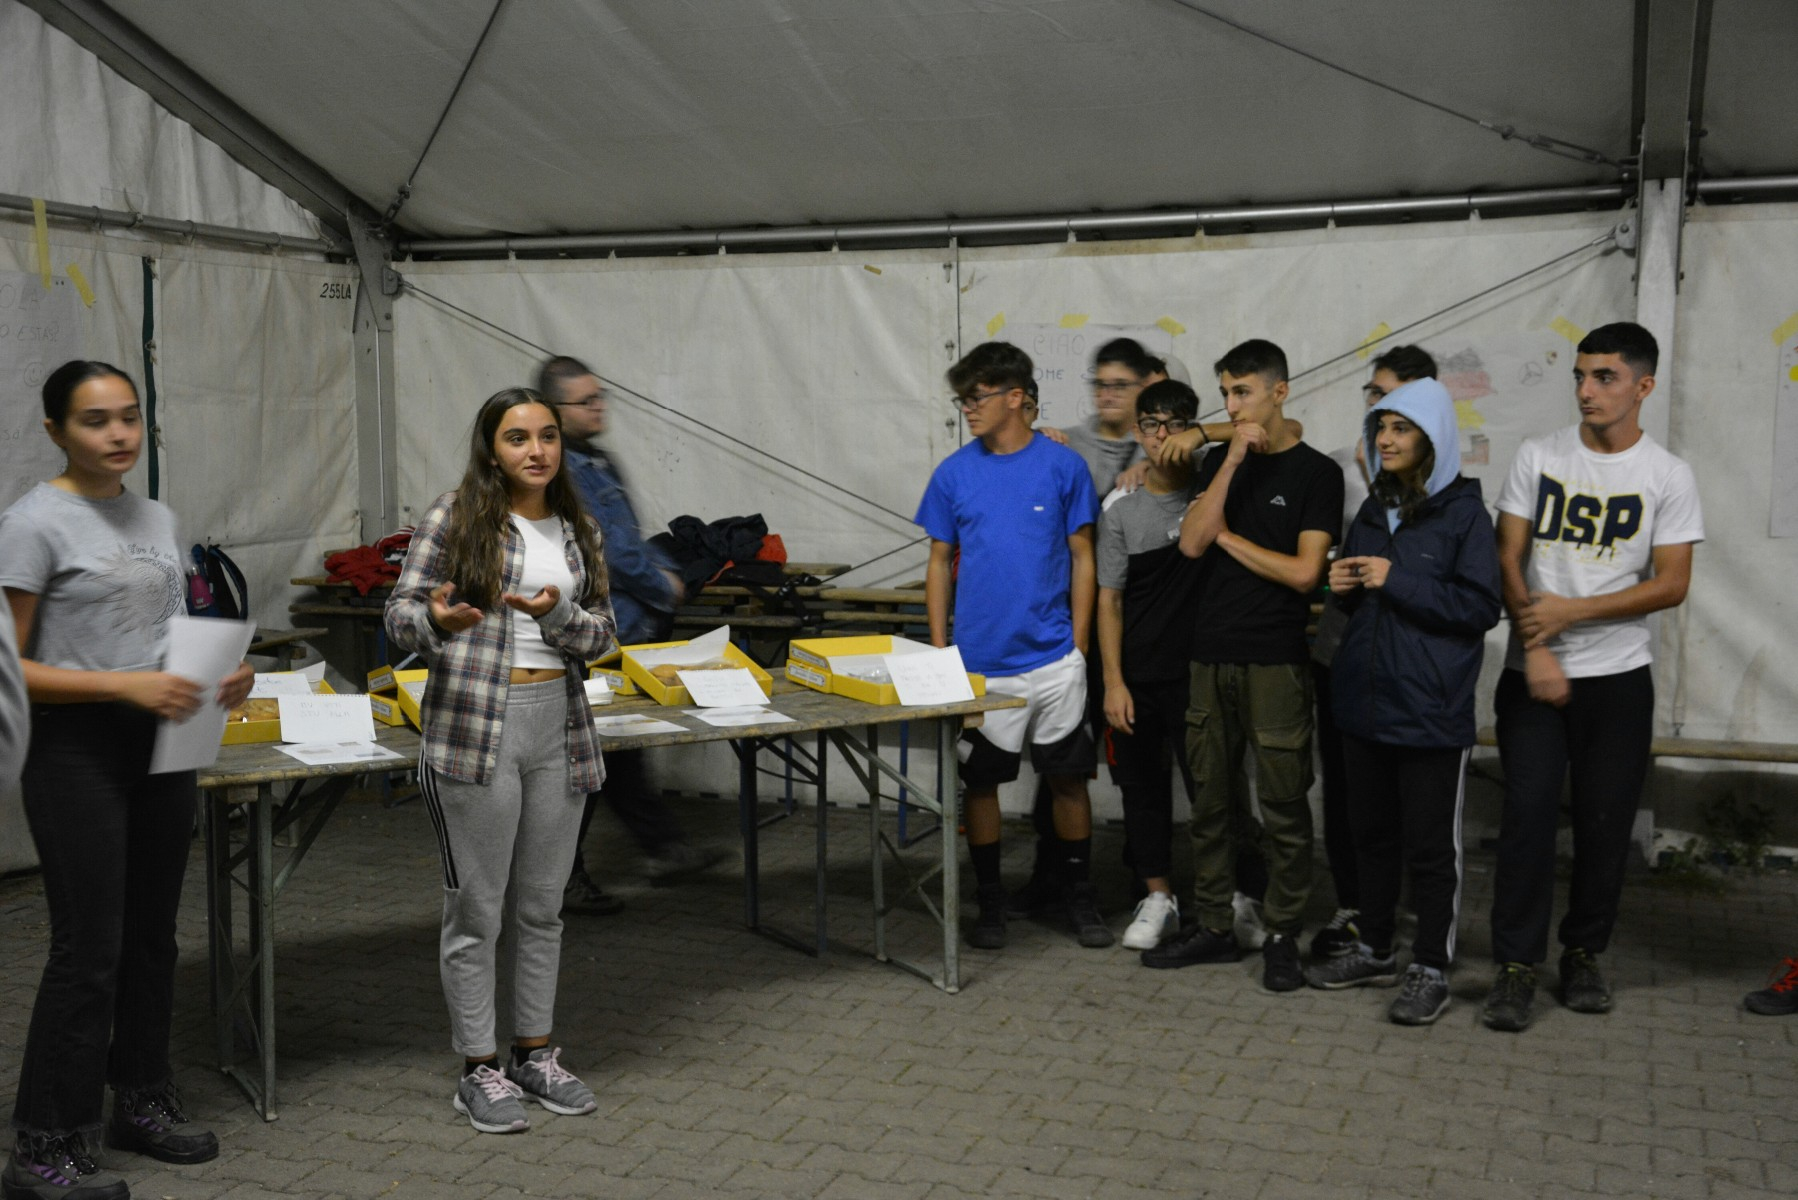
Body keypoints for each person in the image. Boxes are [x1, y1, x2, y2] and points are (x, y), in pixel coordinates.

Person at [0, 360, 255, 1199]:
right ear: (55, 431)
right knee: (90, 951)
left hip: (163, 743)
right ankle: (42, 1147)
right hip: (74, 751)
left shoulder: (155, 515)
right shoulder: (31, 525)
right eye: (95, 420)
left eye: (130, 417)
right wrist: (122, 686)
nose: (118, 434)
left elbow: (163, 632)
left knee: (152, 937)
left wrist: (221, 672)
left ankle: (140, 1099)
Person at [386, 387, 618, 1132]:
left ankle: (534, 1055)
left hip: (560, 727)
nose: (536, 450)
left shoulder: (578, 526)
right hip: (475, 726)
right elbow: (398, 616)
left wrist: (558, 614)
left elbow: (604, 636)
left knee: (543, 907)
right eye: (518, 437)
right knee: (477, 910)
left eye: (547, 435)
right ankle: (478, 1069)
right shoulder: (454, 517)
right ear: (492, 448)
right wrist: (435, 619)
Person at [1482, 321, 1703, 1033]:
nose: (1586, 390)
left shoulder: (1667, 475)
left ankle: (1583, 953)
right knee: (1526, 819)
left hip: (1618, 678)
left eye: (1605, 376)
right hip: (1533, 673)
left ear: (1644, 386)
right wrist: (1538, 647)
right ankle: (1516, 965)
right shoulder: (1540, 454)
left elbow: (1671, 584)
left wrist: (1573, 612)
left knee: (1606, 827)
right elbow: (1507, 556)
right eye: (1580, 375)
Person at [1141, 339, 1341, 993]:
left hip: (1275, 660)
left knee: (1283, 806)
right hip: (1208, 654)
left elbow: (1305, 574)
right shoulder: (1220, 464)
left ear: (1279, 392)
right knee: (1211, 806)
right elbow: (1192, 543)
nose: (1232, 405)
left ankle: (1283, 934)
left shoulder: (1317, 474)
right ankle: (1215, 926)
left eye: (1243, 392)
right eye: (1226, 393)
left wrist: (1228, 536)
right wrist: (1228, 457)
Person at [1302, 378, 1501, 1024]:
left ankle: (1430, 968)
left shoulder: (1466, 515)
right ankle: (1376, 949)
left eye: (1400, 429)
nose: (1385, 440)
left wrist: (1397, 579)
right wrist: (1340, 584)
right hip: (1362, 705)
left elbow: (1480, 607)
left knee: (1432, 850)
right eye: (1380, 428)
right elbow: (1359, 599)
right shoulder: (1373, 507)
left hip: (1430, 711)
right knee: (1372, 838)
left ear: (1432, 438)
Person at [915, 341, 1109, 949]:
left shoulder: (1063, 466)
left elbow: (1083, 556)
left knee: (1069, 781)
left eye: (976, 397)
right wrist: (942, 652)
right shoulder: (953, 474)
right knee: (981, 786)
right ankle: (991, 903)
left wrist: (1078, 647)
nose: (967, 409)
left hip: (1055, 662)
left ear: (1015, 396)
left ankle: (1080, 899)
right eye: (963, 399)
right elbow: (939, 562)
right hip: (981, 667)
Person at [535, 356, 723, 916]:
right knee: (588, 761)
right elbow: (609, 552)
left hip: (624, 629)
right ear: (555, 409)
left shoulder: (600, 461)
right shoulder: (562, 472)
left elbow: (628, 539)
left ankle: (662, 849)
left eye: (601, 397)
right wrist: (663, 585)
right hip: (590, 636)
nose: (599, 407)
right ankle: (560, 880)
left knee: (618, 752)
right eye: (586, 401)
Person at [1309, 344, 1440, 961]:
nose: (1382, 414)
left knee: (1408, 799)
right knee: (1346, 790)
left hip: (1411, 665)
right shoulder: (1340, 467)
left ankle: (1401, 914)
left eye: (1398, 402)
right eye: (1375, 396)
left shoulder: (1448, 489)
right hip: (1343, 652)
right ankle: (1354, 904)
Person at [1096, 379, 1206, 950]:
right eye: (1151, 424)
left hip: (1202, 675)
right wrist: (1113, 682)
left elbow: (1272, 430)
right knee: (1141, 793)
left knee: (1213, 793)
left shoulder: (1216, 485)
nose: (1162, 435)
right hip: (1138, 676)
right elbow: (1109, 601)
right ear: (1138, 432)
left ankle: (1227, 897)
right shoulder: (1121, 508)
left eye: (1175, 423)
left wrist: (1200, 437)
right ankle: (1157, 896)